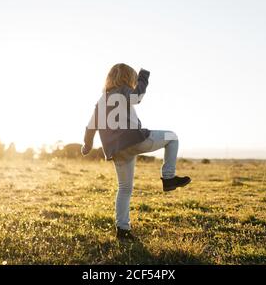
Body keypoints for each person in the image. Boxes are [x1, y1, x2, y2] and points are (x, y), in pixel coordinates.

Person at [81, 63, 191, 240]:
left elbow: (90, 127)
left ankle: (122, 230)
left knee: (124, 189)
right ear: (127, 78)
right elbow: (137, 97)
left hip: (116, 150)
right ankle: (169, 177)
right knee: (172, 137)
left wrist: (86, 146)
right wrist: (144, 76)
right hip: (134, 140)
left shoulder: (102, 100)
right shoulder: (124, 91)